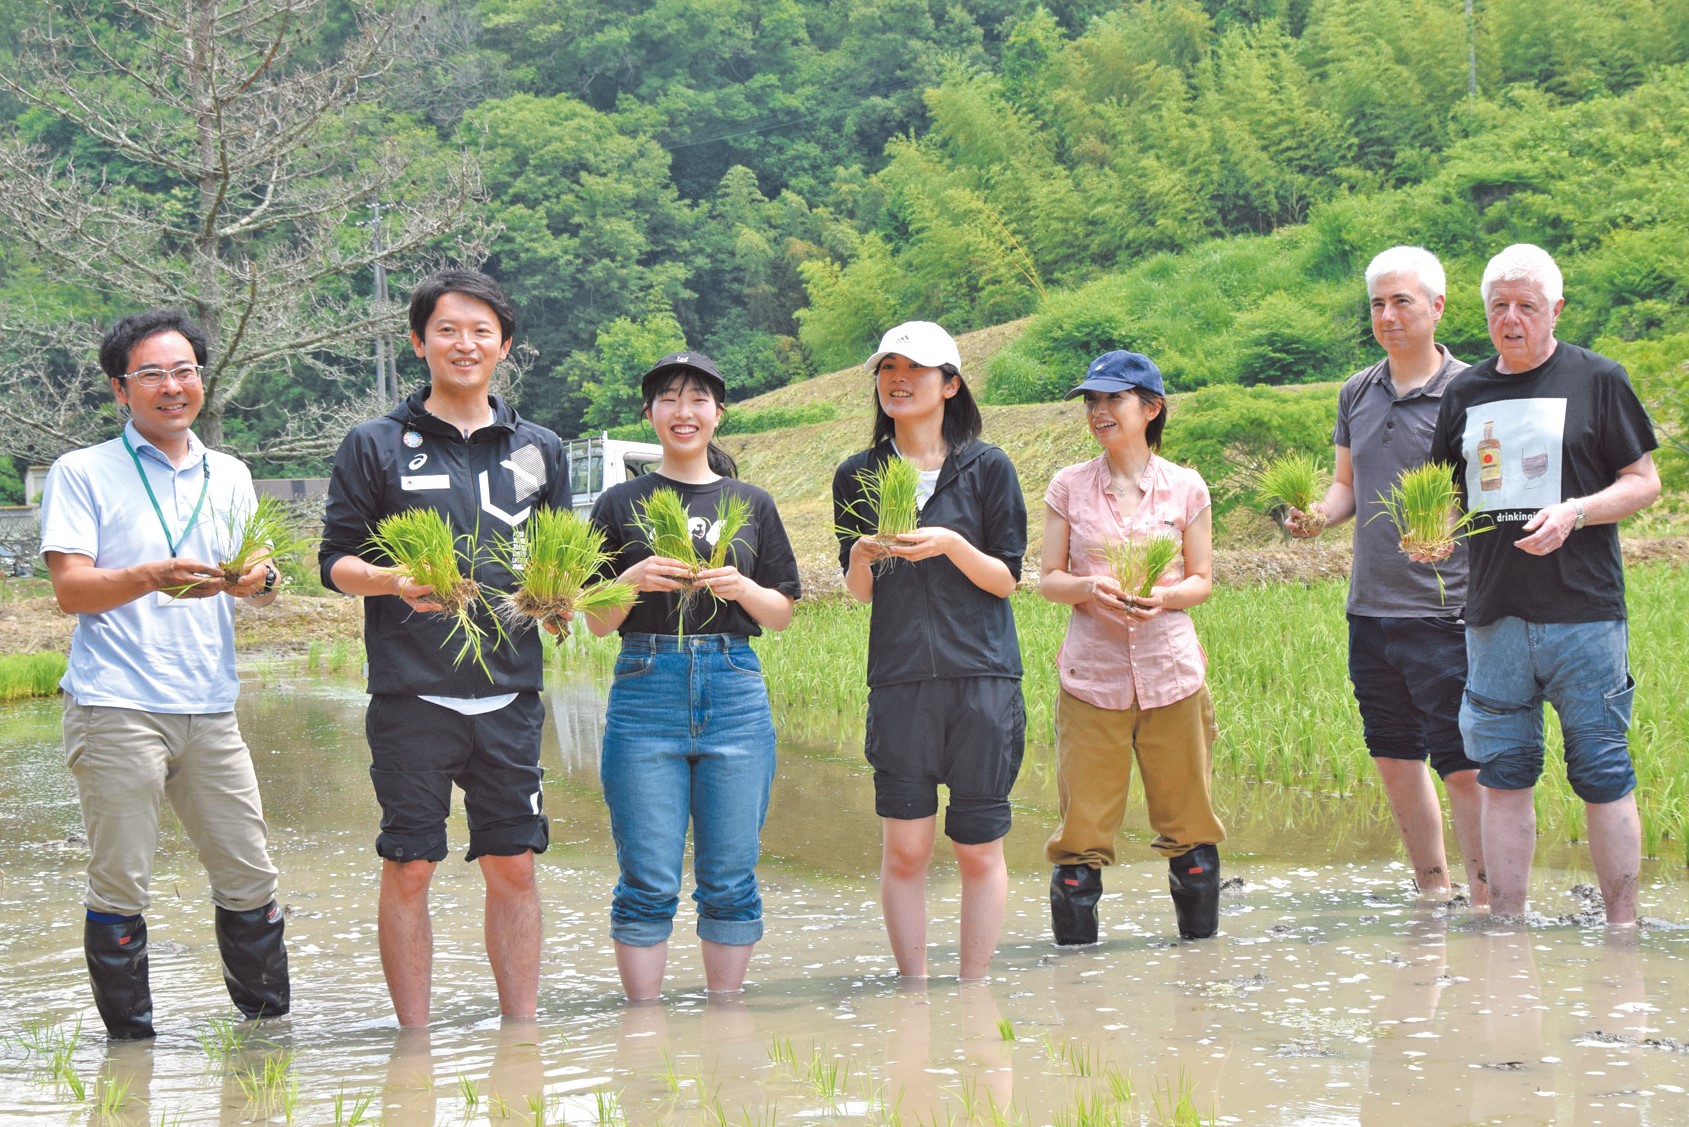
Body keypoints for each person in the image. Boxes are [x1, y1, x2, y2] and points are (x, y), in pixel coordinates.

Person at [318, 269, 570, 1025]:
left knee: (515, 864)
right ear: (418, 341)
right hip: (410, 693)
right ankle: (415, 1044)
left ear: (505, 345)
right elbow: (334, 562)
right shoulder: (374, 444)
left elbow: (557, 556)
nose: (465, 343)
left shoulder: (539, 448)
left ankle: (520, 1036)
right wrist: (392, 580)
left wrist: (559, 598)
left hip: (510, 691)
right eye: (448, 329)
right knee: (409, 865)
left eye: (481, 330)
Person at [40, 308, 288, 1039]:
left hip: (211, 705)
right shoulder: (82, 471)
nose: (171, 386)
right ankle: (131, 1056)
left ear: (201, 380)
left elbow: (265, 577)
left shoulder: (230, 472)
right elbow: (70, 590)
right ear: (121, 388)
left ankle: (269, 1043)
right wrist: (150, 576)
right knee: (121, 882)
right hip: (115, 705)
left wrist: (260, 583)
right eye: (151, 374)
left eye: (184, 371)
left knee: (250, 876)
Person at [1427, 243, 1660, 924]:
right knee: (1503, 776)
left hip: (1584, 614)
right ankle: (1507, 927)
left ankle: (1621, 924)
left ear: (1554, 309)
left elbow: (1642, 482)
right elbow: (1442, 491)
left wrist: (1575, 511)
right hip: (1493, 614)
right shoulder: (1465, 392)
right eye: (1498, 305)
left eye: (1526, 305)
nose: (1511, 317)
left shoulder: (1597, 378)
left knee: (1601, 772)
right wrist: (1432, 531)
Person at [585, 351, 800, 999]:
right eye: (669, 399)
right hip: (645, 685)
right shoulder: (618, 502)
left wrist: (741, 587)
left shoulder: (751, 502)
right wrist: (628, 579)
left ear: (718, 413)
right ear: (649, 414)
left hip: (734, 684)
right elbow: (595, 623)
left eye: (698, 398)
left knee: (730, 876)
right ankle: (642, 1031)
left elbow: (782, 611)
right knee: (647, 878)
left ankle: (723, 1027)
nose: (684, 411)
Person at [1287, 246, 1487, 906]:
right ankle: (1432, 889)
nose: (1386, 314)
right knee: (1394, 756)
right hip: (1370, 609)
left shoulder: (1472, 390)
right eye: (1376, 303)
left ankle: (1489, 894)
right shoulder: (1357, 390)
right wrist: (1316, 516)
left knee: (1461, 763)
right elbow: (1345, 485)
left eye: (1401, 301)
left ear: (1436, 306)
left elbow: (1494, 500)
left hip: (1447, 610)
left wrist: (1447, 529)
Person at [833, 321, 1028, 979]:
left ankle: (974, 990)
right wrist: (861, 552)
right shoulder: (858, 474)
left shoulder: (988, 467)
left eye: (912, 368)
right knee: (906, 850)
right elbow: (859, 592)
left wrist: (948, 542)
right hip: (900, 681)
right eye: (886, 367)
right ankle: (912, 990)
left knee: (977, 849)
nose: (897, 379)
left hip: (982, 678)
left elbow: (1005, 577)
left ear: (949, 383)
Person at [1037, 350, 1225, 943]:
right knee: (1081, 832)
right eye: (1091, 400)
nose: (1098, 410)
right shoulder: (1068, 486)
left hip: (1172, 674)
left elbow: (1202, 580)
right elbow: (1047, 579)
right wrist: (1091, 585)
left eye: (1112, 399)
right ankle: (1076, 986)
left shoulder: (1186, 487)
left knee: (1190, 825)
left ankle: (1201, 973)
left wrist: (1165, 598)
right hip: (1092, 678)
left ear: (1151, 408)